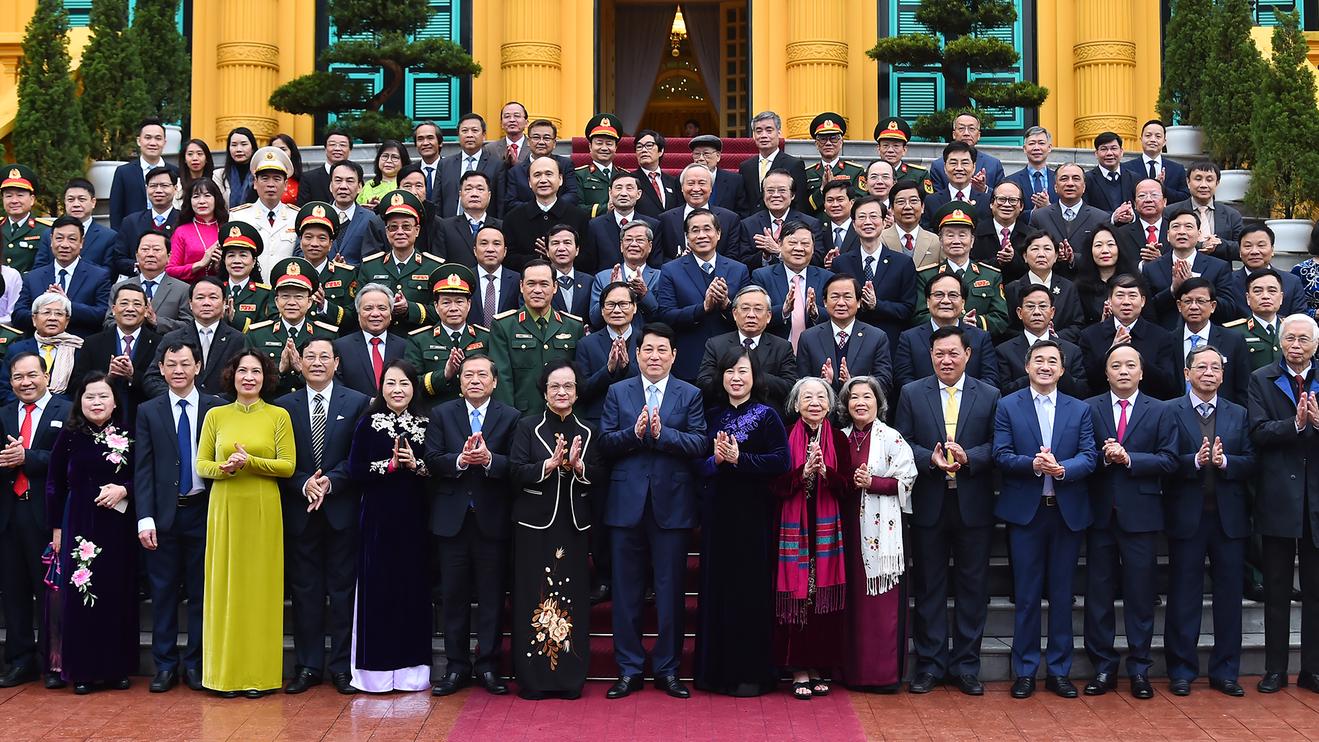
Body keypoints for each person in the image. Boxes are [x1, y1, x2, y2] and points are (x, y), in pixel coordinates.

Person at [599, 323, 706, 700]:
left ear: (674, 355)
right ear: (637, 354)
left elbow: (699, 443)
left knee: (670, 592)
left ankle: (667, 668)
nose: (655, 356)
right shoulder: (618, 391)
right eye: (648, 349)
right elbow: (605, 443)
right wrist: (633, 434)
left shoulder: (690, 393)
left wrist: (663, 435)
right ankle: (629, 669)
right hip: (625, 505)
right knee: (626, 592)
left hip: (672, 505)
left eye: (662, 350)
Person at [894, 326, 1001, 696]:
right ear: (930, 355)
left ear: (968, 355)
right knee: (929, 587)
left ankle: (967, 666)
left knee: (973, 588)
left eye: (954, 353)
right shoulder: (912, 393)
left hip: (974, 504)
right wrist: (930, 459)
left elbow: (998, 444)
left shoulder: (989, 394)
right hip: (930, 501)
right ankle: (931, 665)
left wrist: (970, 458)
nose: (946, 360)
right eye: (939, 353)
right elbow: (902, 441)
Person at [994, 340, 1098, 699]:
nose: (1045, 366)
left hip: (1066, 513)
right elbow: (1001, 455)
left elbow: (1089, 456)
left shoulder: (1079, 409)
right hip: (1027, 513)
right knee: (1026, 596)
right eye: (1039, 359)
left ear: (1062, 370)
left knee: (1062, 595)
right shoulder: (1008, 405)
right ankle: (1025, 671)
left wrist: (1062, 469)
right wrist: (1033, 465)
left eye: (1053, 361)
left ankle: (1058, 671)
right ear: (1027, 366)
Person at [195, 350, 295, 697]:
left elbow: (288, 466)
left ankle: (259, 676)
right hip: (225, 506)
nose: (249, 377)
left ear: (266, 378)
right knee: (225, 588)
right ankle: (224, 676)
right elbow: (201, 464)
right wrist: (224, 469)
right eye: (243, 371)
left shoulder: (278, 415)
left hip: (263, 507)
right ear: (232, 375)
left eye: (256, 371)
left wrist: (250, 461)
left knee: (260, 591)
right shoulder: (216, 415)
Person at [274, 337, 370, 695]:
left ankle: (342, 667)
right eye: (310, 356)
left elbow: (358, 455)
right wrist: (304, 483)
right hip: (301, 510)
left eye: (324, 356)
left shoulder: (357, 402)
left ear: (336, 363)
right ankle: (308, 666)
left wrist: (330, 482)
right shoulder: (283, 406)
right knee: (305, 593)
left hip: (341, 508)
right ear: (299, 362)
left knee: (343, 593)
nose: (316, 362)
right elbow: (279, 457)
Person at [1081, 344, 1178, 699]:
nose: (1123, 371)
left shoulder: (1161, 410)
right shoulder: (1088, 408)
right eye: (1116, 365)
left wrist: (1129, 458)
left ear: (1141, 372)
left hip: (1142, 516)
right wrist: (1106, 458)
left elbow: (1169, 460)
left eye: (1130, 365)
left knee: (1140, 595)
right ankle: (1103, 667)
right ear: (1106, 373)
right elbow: (1080, 455)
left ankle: (1139, 669)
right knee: (1098, 595)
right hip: (1100, 515)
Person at [694, 348, 789, 696]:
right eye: (730, 371)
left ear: (755, 377)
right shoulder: (711, 415)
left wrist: (740, 459)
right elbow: (697, 465)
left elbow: (782, 461)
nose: (736, 377)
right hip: (718, 513)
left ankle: (750, 674)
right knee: (717, 589)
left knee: (749, 592)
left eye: (743, 371)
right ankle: (714, 674)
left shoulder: (768, 415)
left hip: (754, 514)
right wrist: (717, 461)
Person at [425, 354, 520, 697]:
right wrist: (461, 460)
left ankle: (489, 666)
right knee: (454, 597)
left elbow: (516, 464)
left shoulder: (510, 416)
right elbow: (432, 459)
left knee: (492, 597)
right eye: (468, 375)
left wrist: (490, 460)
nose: (475, 380)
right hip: (452, 520)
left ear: (494, 382)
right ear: (460, 381)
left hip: (492, 520)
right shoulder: (441, 414)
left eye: (482, 375)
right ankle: (456, 667)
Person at [1164, 344, 1254, 697]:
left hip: (1228, 518)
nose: (1209, 373)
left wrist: (1225, 462)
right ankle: (1181, 670)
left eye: (1215, 368)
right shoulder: (1169, 410)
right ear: (1187, 373)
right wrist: (1196, 461)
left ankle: (1225, 671)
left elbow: (1252, 461)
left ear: (1223, 375)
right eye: (1201, 367)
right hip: (1187, 516)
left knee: (1229, 598)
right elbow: (1165, 460)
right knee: (1183, 596)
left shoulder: (1239, 413)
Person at [508, 360, 601, 700]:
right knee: (533, 595)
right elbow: (515, 471)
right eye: (555, 387)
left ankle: (568, 679)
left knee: (570, 597)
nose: (562, 392)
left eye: (568, 386)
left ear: (577, 392)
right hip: (534, 525)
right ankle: (534, 679)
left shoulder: (588, 431)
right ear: (544, 392)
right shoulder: (527, 427)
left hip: (573, 525)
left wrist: (579, 467)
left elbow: (600, 474)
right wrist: (546, 466)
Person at [135, 342, 224, 693]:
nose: (178, 370)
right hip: (164, 516)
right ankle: (165, 665)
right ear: (161, 369)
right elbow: (143, 468)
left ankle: (196, 664)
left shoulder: (217, 407)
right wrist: (145, 518)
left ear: (197, 366)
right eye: (171, 364)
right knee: (163, 593)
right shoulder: (149, 410)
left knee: (203, 594)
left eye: (185, 363)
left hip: (205, 511)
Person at [45, 373, 136, 693]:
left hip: (118, 526)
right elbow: (54, 484)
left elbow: (143, 476)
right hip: (79, 524)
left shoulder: (128, 434)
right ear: (79, 401)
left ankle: (116, 669)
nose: (96, 403)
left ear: (115, 402)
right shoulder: (69, 436)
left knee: (116, 593)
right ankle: (82, 670)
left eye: (103, 396)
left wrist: (124, 489)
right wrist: (57, 529)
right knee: (81, 596)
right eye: (89, 397)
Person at [345, 359, 432, 693]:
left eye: (404, 383)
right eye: (391, 383)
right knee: (378, 591)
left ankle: (412, 673)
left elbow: (436, 470)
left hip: (415, 518)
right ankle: (376, 674)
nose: (397, 390)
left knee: (412, 591)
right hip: (378, 520)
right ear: (381, 388)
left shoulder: (426, 422)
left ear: (414, 387)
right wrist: (390, 465)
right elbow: (355, 470)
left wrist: (416, 465)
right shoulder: (368, 423)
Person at [1248, 313, 1319, 694]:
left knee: (1315, 591)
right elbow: (1257, 431)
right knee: (1276, 589)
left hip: (1316, 499)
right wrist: (1295, 425)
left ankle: (1312, 669)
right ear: (1280, 341)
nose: (1295, 345)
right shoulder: (1261, 378)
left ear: (1315, 345)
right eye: (1289, 338)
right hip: (1278, 495)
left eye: (1303, 339)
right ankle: (1275, 669)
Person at [835, 375, 917, 691]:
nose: (860, 403)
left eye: (867, 396)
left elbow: (908, 478)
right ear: (845, 404)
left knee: (879, 604)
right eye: (854, 397)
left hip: (882, 536)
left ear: (878, 402)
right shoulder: (839, 437)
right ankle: (850, 673)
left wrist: (874, 483)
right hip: (845, 529)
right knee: (851, 603)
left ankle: (881, 676)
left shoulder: (892, 437)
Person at [0, 352, 73, 688]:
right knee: (13, 589)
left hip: (46, 513)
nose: (26, 382)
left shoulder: (66, 411)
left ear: (46, 376)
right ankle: (19, 660)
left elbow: (69, 460)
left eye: (32, 375)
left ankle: (52, 661)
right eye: (18, 377)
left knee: (50, 592)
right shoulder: (3, 414)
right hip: (9, 513)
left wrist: (27, 457)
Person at [771, 377, 846, 699]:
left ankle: (817, 666)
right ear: (796, 404)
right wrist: (801, 474)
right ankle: (797, 669)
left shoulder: (839, 439)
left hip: (827, 532)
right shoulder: (784, 433)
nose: (814, 403)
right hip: (792, 532)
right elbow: (773, 485)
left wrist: (826, 472)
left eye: (821, 397)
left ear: (830, 404)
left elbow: (847, 487)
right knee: (798, 599)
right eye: (807, 397)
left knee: (820, 604)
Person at [654, 208, 751, 380]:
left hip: (731, 362)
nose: (701, 235)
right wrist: (703, 308)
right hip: (689, 360)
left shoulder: (738, 269)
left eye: (707, 229)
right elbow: (666, 315)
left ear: (718, 233)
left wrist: (726, 305)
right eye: (695, 230)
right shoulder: (670, 270)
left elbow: (748, 317)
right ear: (687, 237)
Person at [488, 259, 584, 414]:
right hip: (522, 416)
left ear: (555, 287)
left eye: (544, 284)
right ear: (521, 286)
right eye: (531, 284)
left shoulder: (573, 326)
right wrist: (508, 418)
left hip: (563, 416)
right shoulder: (504, 325)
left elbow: (578, 379)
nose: (537, 290)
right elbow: (502, 379)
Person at [245, 257, 339, 396]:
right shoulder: (257, 334)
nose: (291, 302)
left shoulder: (327, 335)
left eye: (299, 297)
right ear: (276, 301)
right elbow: (248, 379)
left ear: (309, 302)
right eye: (285, 296)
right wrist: (280, 371)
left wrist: (302, 370)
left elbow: (335, 382)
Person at [832, 195, 918, 348]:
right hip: (851, 344)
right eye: (862, 217)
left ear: (884, 222)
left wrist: (877, 305)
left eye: (873, 216)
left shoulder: (903, 263)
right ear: (854, 224)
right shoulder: (841, 263)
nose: (867, 222)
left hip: (890, 343)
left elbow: (908, 309)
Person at [695, 286, 799, 411]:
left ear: (768, 316)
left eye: (758, 309)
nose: (751, 315)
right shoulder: (716, 344)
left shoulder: (782, 347)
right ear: (734, 314)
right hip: (724, 413)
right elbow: (703, 383)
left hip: (767, 415)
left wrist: (754, 375)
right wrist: (731, 379)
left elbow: (790, 387)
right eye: (745, 309)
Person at [356, 189, 444, 333]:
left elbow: (442, 312)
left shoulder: (433, 267)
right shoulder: (370, 266)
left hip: (419, 341)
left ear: (417, 230)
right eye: (393, 227)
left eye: (406, 226)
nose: (400, 232)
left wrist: (410, 308)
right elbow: (358, 308)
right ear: (386, 232)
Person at [913, 202, 1008, 338]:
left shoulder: (991, 275)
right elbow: (919, 316)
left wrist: (976, 322)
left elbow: (1001, 318)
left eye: (962, 235)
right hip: (938, 342)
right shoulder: (926, 275)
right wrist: (955, 323)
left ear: (972, 240)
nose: (956, 241)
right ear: (940, 240)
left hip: (978, 342)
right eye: (950, 235)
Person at [1077, 273, 1178, 399]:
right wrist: (1110, 353)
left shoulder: (1161, 336)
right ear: (1109, 300)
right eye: (1120, 296)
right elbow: (1087, 383)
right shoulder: (1090, 336)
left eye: (1132, 296)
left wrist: (1136, 358)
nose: (1126, 302)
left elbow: (1168, 384)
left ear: (1142, 301)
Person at [72, 283, 160, 424]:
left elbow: (162, 386)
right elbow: (77, 383)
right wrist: (106, 377)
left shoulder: (159, 343)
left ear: (145, 311)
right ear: (113, 309)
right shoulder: (92, 342)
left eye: (137, 304)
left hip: (145, 419)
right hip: (99, 421)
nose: (130, 309)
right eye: (124, 303)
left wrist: (132, 376)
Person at [143, 278, 247, 398]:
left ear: (224, 303)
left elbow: (245, 379)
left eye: (213, 297)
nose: (206, 303)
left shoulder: (238, 340)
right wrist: (180, 397)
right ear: (190, 304)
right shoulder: (172, 338)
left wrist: (220, 400)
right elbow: (152, 379)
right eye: (200, 297)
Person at [894, 272, 999, 391]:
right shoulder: (909, 338)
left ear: (963, 303)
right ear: (928, 301)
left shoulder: (980, 337)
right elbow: (903, 381)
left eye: (953, 295)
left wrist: (961, 397)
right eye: (938, 295)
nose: (945, 301)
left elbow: (991, 380)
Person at [13, 215, 112, 337]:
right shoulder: (33, 277)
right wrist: (44, 311)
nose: (65, 245)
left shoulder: (98, 276)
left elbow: (102, 315)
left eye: (72, 239)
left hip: (81, 344)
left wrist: (67, 305)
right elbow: (18, 316)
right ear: (51, 240)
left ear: (81, 242)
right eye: (59, 238)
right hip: (39, 344)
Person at [405, 264, 490, 404]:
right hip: (436, 411)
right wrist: (444, 375)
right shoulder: (419, 340)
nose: (453, 308)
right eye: (446, 302)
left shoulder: (486, 338)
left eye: (459, 302)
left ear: (469, 304)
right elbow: (410, 384)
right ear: (436, 306)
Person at [796, 274, 893, 393]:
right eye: (835, 297)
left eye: (847, 297)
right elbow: (801, 382)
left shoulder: (876, 337)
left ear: (858, 302)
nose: (841, 303)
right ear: (825, 302)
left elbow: (884, 382)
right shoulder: (808, 338)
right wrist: (822, 384)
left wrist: (852, 383)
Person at [1141, 209, 1238, 329]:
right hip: (1165, 335)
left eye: (1188, 227)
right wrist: (1172, 290)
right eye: (1176, 227)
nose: (1182, 232)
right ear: (1168, 235)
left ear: (1199, 234)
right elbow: (1146, 310)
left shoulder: (1218, 267)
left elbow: (1229, 310)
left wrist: (1196, 289)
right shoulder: (1151, 268)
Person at [995, 284, 1089, 398]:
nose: (1037, 312)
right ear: (1019, 313)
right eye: (1030, 306)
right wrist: (1036, 375)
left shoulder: (1072, 350)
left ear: (1052, 312)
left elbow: (1082, 391)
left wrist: (1056, 373)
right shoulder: (1004, 351)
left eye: (1043, 306)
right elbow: (1003, 391)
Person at [750, 220, 832, 350]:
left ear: (813, 248)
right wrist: (783, 311)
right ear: (779, 244)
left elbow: (837, 316)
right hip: (774, 351)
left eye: (805, 244)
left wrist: (816, 313)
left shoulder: (827, 278)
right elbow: (754, 315)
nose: (799, 248)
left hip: (817, 351)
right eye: (792, 243)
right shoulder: (762, 277)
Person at [502, 157, 593, 273]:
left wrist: (558, 257)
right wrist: (540, 258)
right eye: (537, 175)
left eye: (549, 174)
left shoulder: (579, 216)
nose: (543, 180)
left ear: (560, 179)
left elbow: (588, 259)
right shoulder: (513, 218)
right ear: (529, 182)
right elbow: (508, 259)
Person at [1171, 278, 1251, 405]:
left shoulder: (1233, 340)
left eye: (1201, 301)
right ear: (1179, 306)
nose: (1194, 307)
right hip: (1176, 413)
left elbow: (1243, 388)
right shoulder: (1168, 340)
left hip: (1223, 413)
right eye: (1188, 301)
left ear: (1213, 306)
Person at [227, 146, 300, 281]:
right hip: (251, 290)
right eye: (265, 178)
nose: (270, 184)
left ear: (285, 185)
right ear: (255, 183)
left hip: (286, 289)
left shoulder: (296, 217)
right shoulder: (239, 216)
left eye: (277, 179)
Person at [0, 292, 84, 405]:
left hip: (65, 411)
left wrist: (48, 405)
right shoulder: (16, 350)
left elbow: (81, 392)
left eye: (59, 314)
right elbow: (4, 389)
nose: (52, 318)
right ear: (34, 319)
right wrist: (30, 405)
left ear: (67, 321)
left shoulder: (79, 349)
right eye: (46, 312)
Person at [107, 230, 194, 335]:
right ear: (137, 256)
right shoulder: (119, 288)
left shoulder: (183, 289)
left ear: (169, 256)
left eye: (157, 250)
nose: (150, 254)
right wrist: (129, 324)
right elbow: (109, 322)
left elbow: (190, 326)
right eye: (145, 249)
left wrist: (156, 321)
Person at [655, 164, 746, 263]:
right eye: (690, 183)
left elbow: (732, 257)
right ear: (682, 188)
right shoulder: (665, 219)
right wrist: (679, 263)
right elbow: (660, 257)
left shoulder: (729, 219)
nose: (696, 189)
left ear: (711, 188)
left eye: (702, 183)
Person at [1002, 230, 1085, 339]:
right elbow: (1005, 328)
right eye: (1035, 249)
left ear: (1056, 256)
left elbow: (1078, 325)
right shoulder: (1012, 289)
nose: (1041, 254)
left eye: (1047, 249)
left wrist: (1054, 337)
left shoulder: (1068, 288)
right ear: (1025, 256)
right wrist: (1033, 339)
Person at [291, 201, 358, 331]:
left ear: (331, 244)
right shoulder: (287, 273)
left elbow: (353, 318)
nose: (314, 244)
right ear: (300, 242)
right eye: (308, 237)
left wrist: (324, 305)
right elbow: (273, 314)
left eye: (322, 238)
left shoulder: (345, 275)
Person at [333, 284, 408, 397]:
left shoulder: (404, 346)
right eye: (368, 308)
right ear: (358, 314)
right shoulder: (340, 347)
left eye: (382, 308)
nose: (375, 314)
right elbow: (337, 388)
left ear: (391, 314)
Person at [1165, 161, 1245, 263]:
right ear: (1188, 182)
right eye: (1198, 179)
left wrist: (1219, 244)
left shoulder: (1232, 215)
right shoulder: (1170, 212)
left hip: (1219, 270)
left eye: (1209, 180)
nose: (1203, 185)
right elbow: (1165, 244)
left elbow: (1242, 248)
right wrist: (1201, 245)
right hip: (1180, 267)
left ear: (1217, 183)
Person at [1029, 162, 1110, 262]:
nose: (1070, 184)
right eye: (1064, 179)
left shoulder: (1100, 218)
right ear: (1055, 187)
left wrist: (1074, 257)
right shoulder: (1039, 216)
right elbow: (1032, 250)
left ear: (1084, 187)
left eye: (1076, 179)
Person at [589, 220, 663, 329]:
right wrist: (610, 290)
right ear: (621, 246)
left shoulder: (661, 277)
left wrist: (645, 294)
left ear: (650, 246)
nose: (633, 244)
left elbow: (662, 317)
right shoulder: (603, 277)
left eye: (639, 240)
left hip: (646, 337)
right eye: (628, 240)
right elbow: (595, 320)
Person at [36, 178, 121, 271]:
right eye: (71, 199)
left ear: (93, 202)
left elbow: (110, 272)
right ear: (64, 202)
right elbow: (39, 268)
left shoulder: (108, 236)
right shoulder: (49, 234)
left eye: (81, 199)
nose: (76, 204)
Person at [500, 119, 578, 216]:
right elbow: (511, 202)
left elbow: (572, 195)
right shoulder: (515, 171)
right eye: (536, 137)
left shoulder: (565, 164)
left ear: (554, 143)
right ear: (528, 142)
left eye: (546, 138)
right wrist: (538, 208)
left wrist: (551, 207)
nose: (541, 142)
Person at [109, 118, 176, 229]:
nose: (153, 143)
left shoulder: (175, 172)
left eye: (158, 138)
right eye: (148, 138)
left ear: (164, 142)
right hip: (133, 233)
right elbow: (116, 211)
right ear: (139, 141)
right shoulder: (124, 172)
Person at [1228, 224, 1307, 319]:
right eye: (1248, 246)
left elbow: (1299, 319)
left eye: (1261, 245)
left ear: (1272, 250)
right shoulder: (1228, 281)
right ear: (1240, 252)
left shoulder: (1292, 282)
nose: (1254, 251)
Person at [116, 166, 181, 277]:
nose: (158, 190)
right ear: (146, 189)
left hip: (176, 282)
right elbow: (119, 258)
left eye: (164, 186)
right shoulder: (131, 222)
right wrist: (139, 266)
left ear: (175, 188)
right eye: (153, 186)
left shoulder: (184, 220)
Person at [585, 172, 658, 272]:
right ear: (610, 193)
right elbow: (589, 265)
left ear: (638, 194)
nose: (623, 193)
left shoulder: (652, 225)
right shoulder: (595, 225)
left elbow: (655, 265)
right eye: (618, 188)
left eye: (629, 188)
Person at [438, 113, 505, 218]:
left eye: (474, 130)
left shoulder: (497, 165)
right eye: (464, 131)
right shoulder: (445, 164)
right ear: (458, 135)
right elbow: (437, 201)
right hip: (449, 224)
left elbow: (501, 203)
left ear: (484, 135)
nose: (469, 135)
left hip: (485, 226)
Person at [741, 112, 809, 214]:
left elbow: (800, 203)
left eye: (769, 130)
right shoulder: (746, 166)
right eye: (758, 131)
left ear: (779, 132)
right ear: (754, 135)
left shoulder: (794, 164)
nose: (763, 135)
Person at [802, 113, 865, 219]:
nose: (828, 143)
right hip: (817, 225)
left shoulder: (855, 171)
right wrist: (822, 190)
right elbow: (804, 207)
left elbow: (859, 203)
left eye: (833, 138)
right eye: (823, 139)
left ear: (841, 143)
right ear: (816, 144)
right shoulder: (807, 173)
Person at [1073, 223, 1139, 325]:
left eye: (1110, 244)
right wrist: (1103, 325)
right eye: (1098, 245)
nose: (1105, 251)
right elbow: (1078, 327)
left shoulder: (1136, 282)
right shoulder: (1079, 288)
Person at [167, 177, 228, 284]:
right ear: (189, 201)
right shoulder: (181, 231)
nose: (201, 201)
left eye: (207, 196)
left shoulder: (228, 227)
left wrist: (221, 266)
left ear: (216, 199)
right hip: (190, 289)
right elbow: (170, 270)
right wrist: (200, 264)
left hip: (223, 288)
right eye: (196, 196)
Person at [921, 143, 992, 232]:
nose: (959, 168)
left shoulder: (987, 201)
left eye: (965, 163)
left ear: (974, 167)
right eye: (953, 163)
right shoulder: (931, 201)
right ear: (945, 167)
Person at [327, 161, 387, 267]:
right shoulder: (317, 215)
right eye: (338, 180)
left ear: (359, 187)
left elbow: (375, 259)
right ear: (331, 186)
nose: (343, 186)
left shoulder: (370, 219)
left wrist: (348, 269)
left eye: (350, 181)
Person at [436, 171, 502, 268]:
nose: (474, 194)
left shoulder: (501, 227)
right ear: (460, 194)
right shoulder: (445, 227)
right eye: (468, 189)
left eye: (480, 189)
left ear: (489, 195)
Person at [929, 112, 1006, 194]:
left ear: (978, 135)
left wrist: (984, 189)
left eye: (971, 129)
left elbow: (1002, 195)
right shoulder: (938, 166)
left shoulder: (993, 165)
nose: (966, 133)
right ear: (954, 134)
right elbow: (936, 198)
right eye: (961, 128)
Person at [217, 221, 273, 333]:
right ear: (224, 260)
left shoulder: (264, 294)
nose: (237, 261)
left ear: (253, 261)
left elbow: (266, 331)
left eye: (243, 255)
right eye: (231, 255)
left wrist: (235, 319)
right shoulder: (215, 290)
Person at [1227, 268, 1286, 372]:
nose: (1265, 296)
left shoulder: (1291, 328)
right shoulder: (1233, 332)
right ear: (1248, 298)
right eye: (1258, 291)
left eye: (1272, 291)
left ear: (1281, 297)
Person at [970, 181, 1029, 282]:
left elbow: (1034, 269)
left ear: (1021, 206)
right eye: (1001, 199)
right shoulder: (975, 233)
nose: (1006, 204)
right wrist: (998, 261)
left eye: (1013, 200)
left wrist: (1013, 258)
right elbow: (969, 265)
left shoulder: (1030, 236)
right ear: (991, 203)